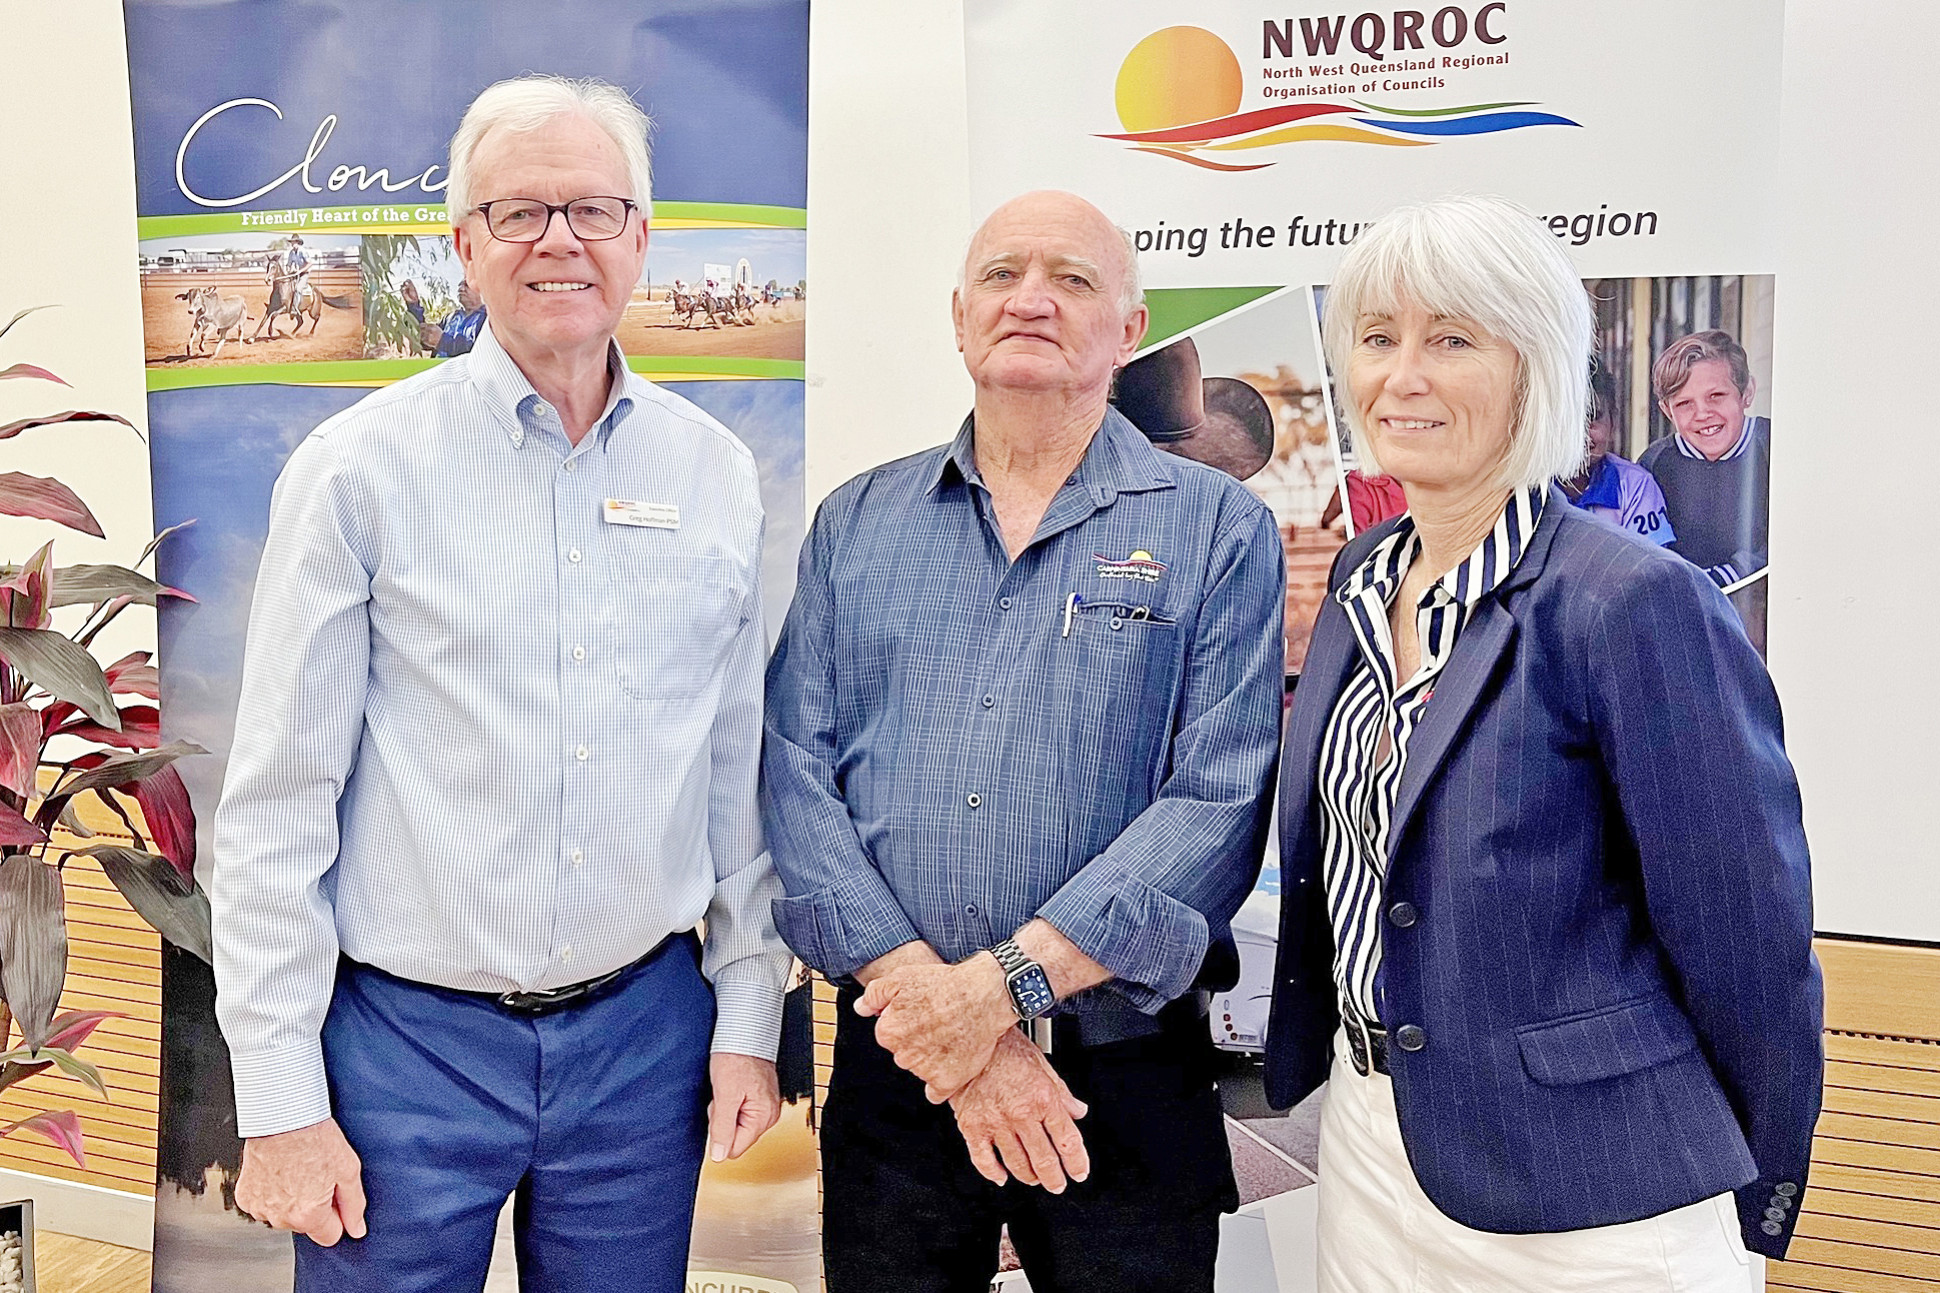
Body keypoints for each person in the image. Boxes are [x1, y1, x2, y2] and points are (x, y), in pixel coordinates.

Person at [211, 74, 791, 1293]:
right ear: (463, 244)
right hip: (404, 1048)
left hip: (645, 1041)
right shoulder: (356, 471)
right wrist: (276, 1102)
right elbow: (278, 804)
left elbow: (736, 774)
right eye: (519, 212)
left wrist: (747, 1021)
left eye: (591, 210)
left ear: (643, 239)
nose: (558, 242)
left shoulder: (717, 475)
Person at [1261, 196, 1820, 1292]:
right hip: (1372, 1146)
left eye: (1452, 339)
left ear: (1535, 371)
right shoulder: (1356, 582)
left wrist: (1748, 1186)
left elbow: (1746, 939)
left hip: (1597, 1195)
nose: (1401, 375)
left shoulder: (1630, 604)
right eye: (1376, 339)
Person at [763, 190, 1285, 1292]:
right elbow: (796, 775)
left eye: (1072, 279)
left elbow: (1217, 799)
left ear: (1129, 330)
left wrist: (999, 989)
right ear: (958, 316)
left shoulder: (1214, 528)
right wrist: (947, 1019)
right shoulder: (856, 524)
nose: (1030, 300)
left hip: (1125, 1084)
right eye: (1001, 276)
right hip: (896, 1081)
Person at [1638, 328, 1770, 587]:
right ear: (1667, 410)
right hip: (1686, 604)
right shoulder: (1654, 466)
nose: (1703, 414)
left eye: (1716, 396)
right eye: (1685, 404)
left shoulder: (1775, 448)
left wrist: (1725, 577)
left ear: (1747, 392)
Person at [1562, 367, 1674, 545]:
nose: (1580, 433)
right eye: (1565, 419)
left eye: (1593, 417)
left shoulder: (1634, 485)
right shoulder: (1522, 487)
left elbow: (1651, 566)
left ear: (1612, 422)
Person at [422, 277, 488, 357]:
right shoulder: (450, 317)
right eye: (460, 285)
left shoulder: (487, 319)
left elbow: (479, 351)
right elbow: (425, 340)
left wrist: (443, 341)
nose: (461, 289)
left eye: (467, 285)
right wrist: (413, 305)